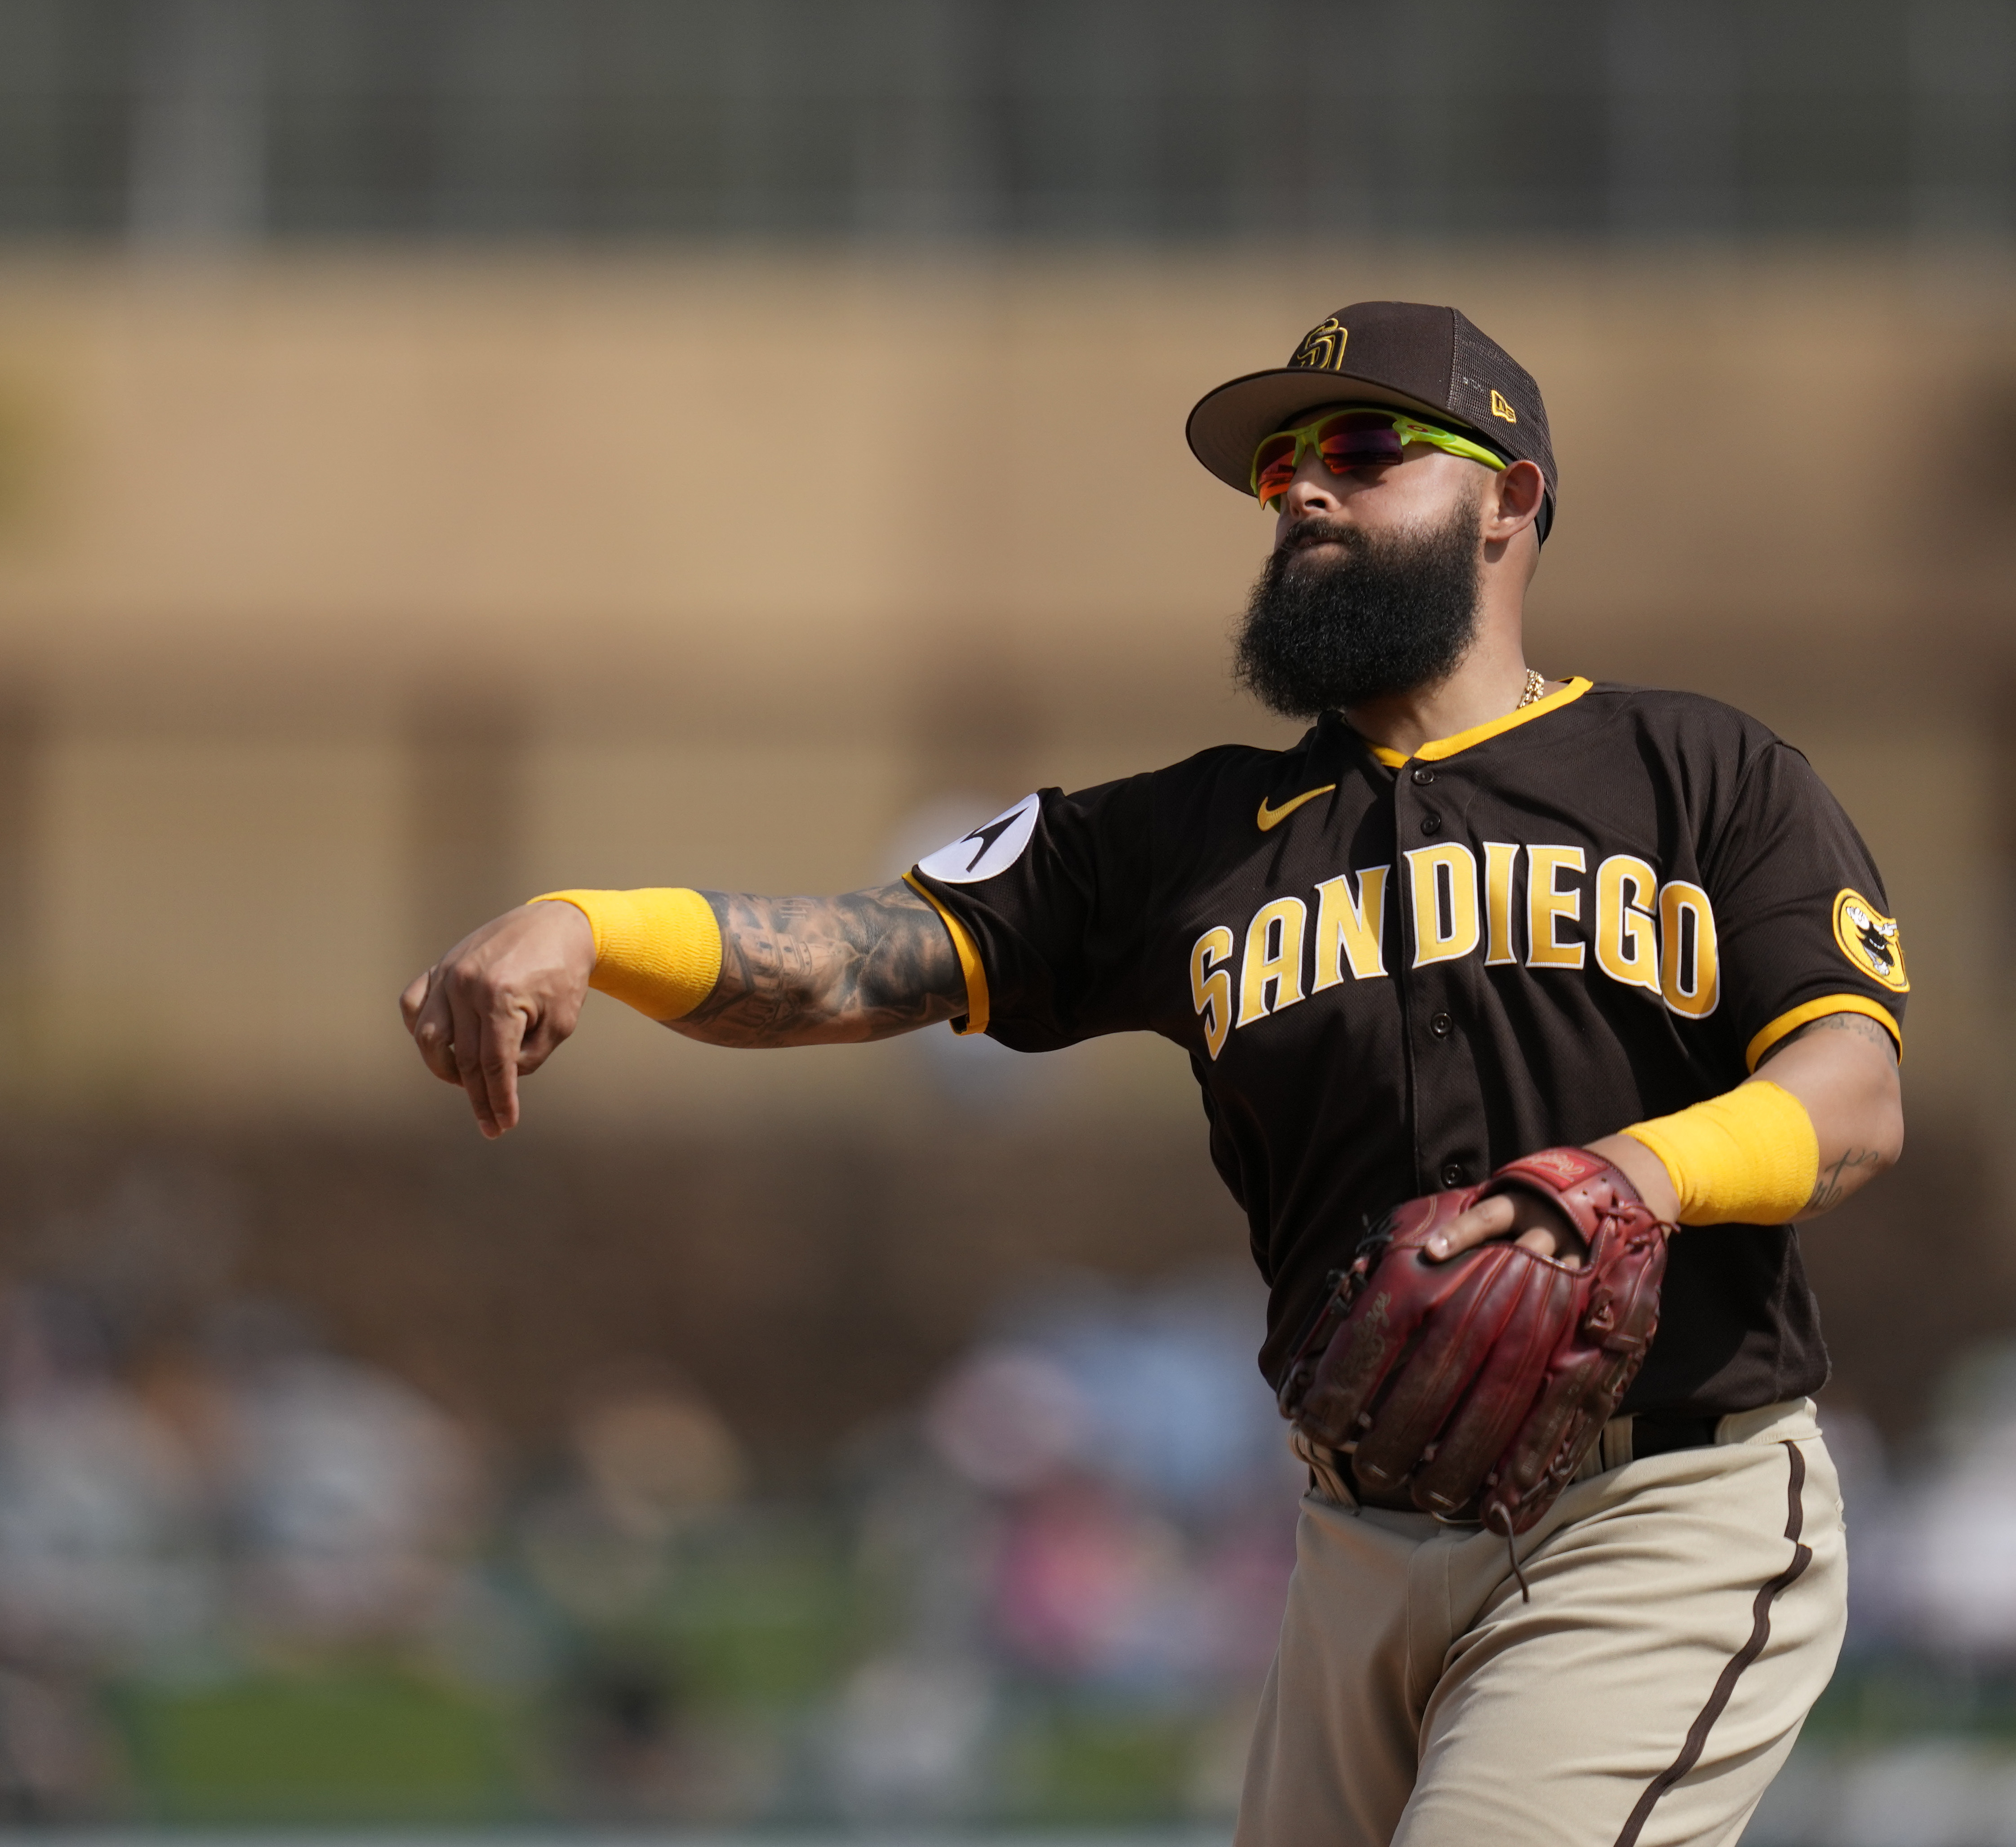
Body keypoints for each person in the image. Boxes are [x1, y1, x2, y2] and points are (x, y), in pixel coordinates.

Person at [399, 301, 1907, 1845]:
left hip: (1657, 1505)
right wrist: (591, 925)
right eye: (1283, 469)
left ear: (1512, 499)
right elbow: (862, 956)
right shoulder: (1181, 841)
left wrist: (1633, 1179)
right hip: (1359, 1543)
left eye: (1366, 451)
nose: (1308, 489)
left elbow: (1853, 1090)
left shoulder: (1699, 775)